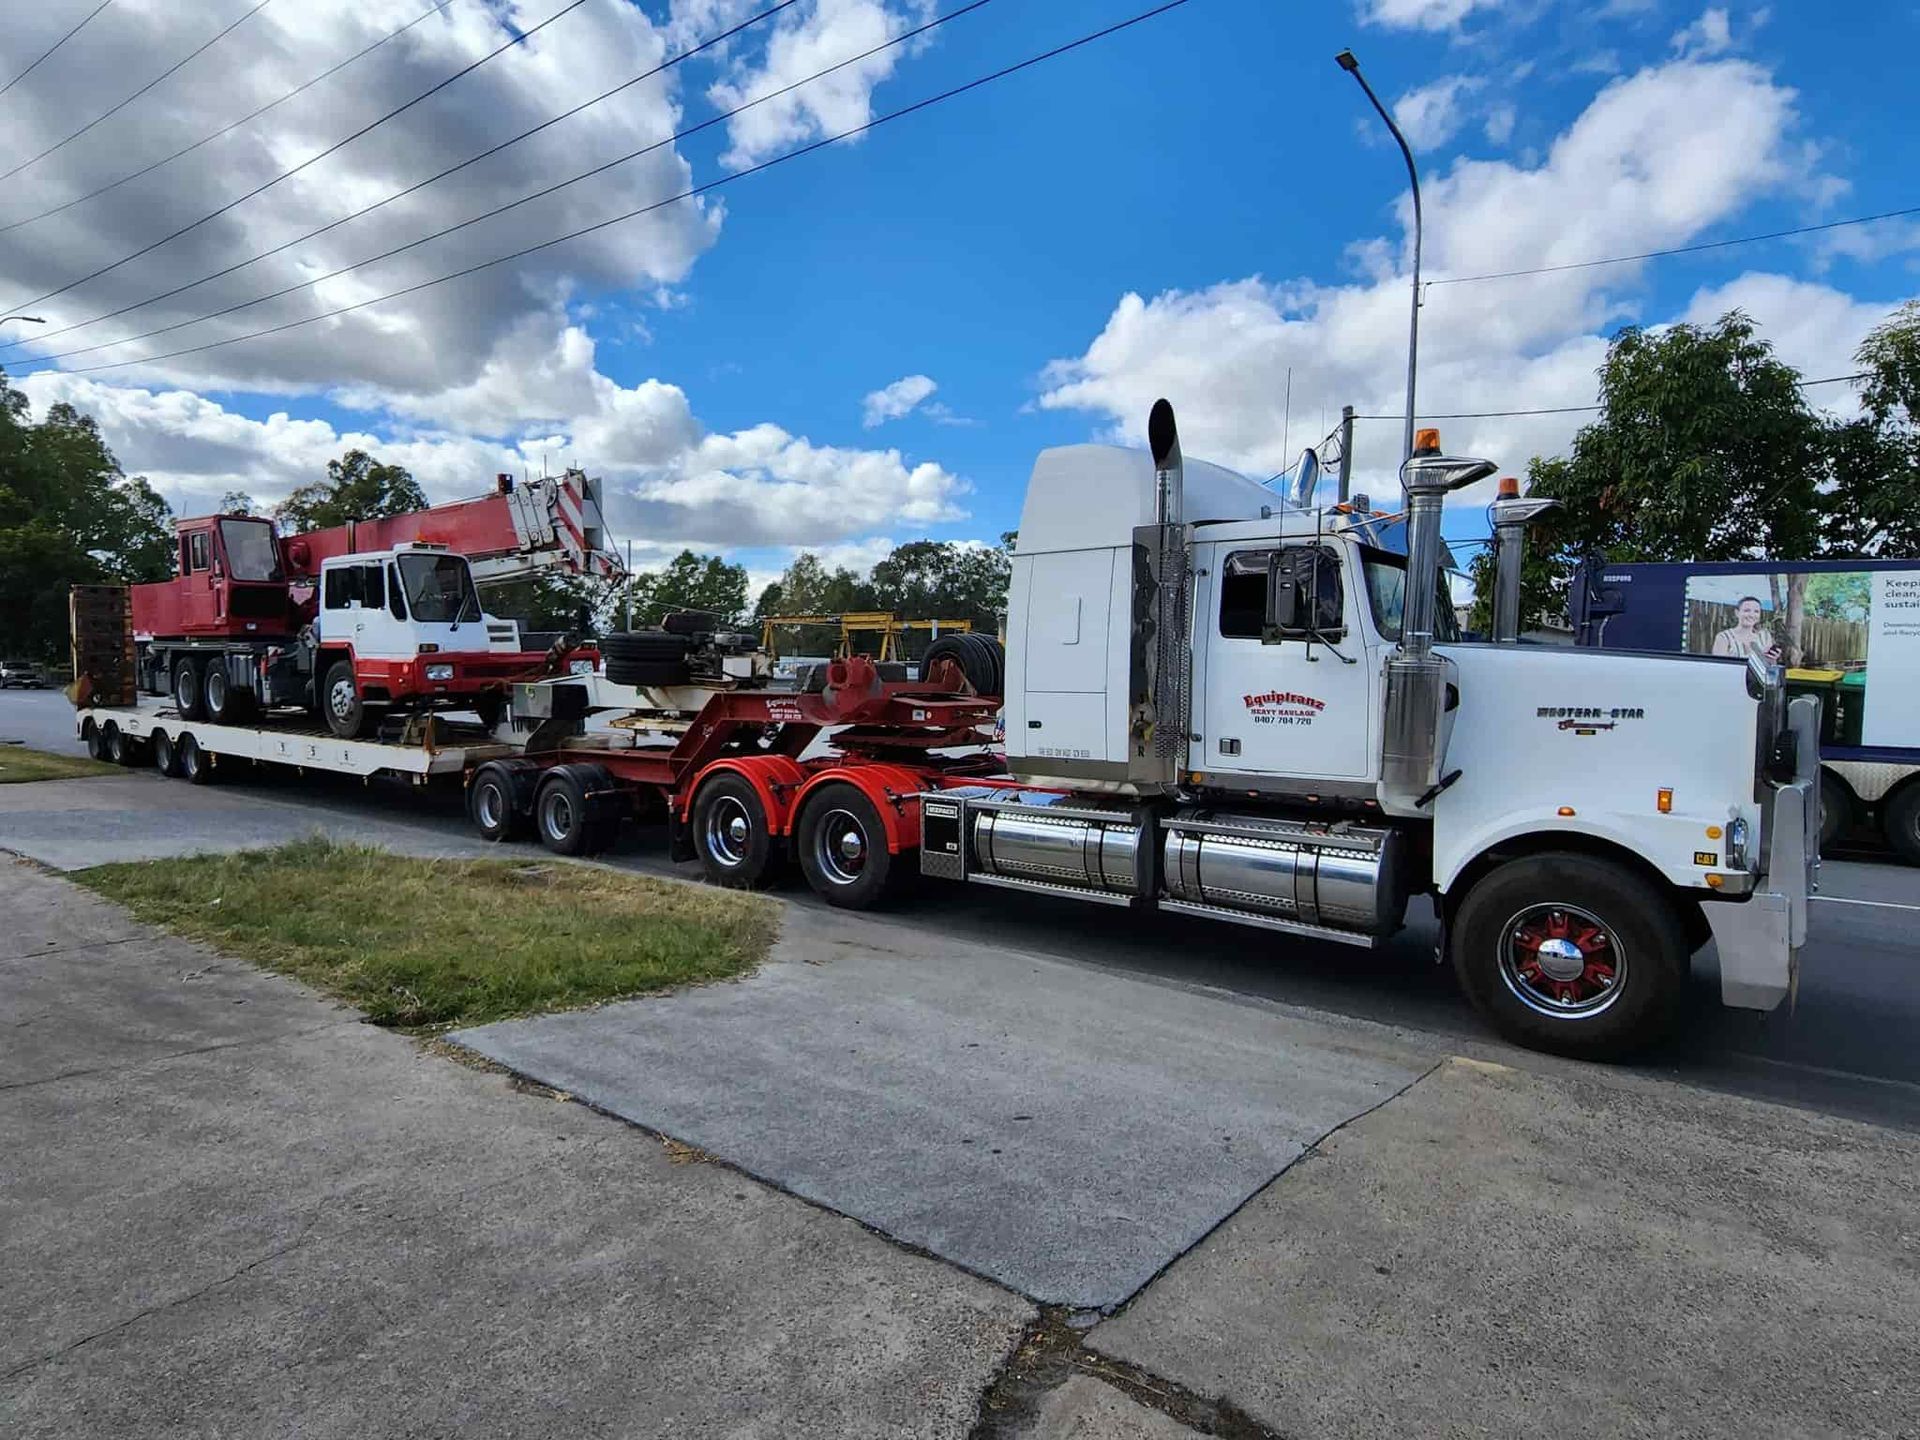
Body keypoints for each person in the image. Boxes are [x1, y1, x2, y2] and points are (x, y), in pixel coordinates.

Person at [1711, 595, 1781, 662]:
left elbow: (1769, 667)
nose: (1751, 615)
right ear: (1737, 613)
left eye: (1756, 611)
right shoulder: (1724, 637)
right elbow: (1719, 665)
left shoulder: (1764, 636)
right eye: (1747, 611)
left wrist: (1772, 658)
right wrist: (1758, 656)